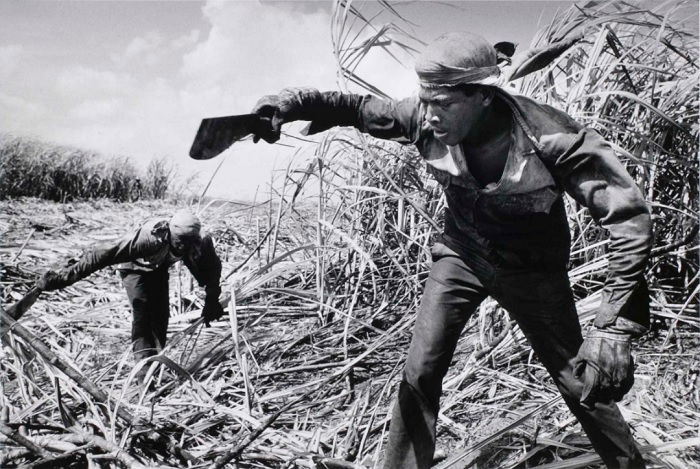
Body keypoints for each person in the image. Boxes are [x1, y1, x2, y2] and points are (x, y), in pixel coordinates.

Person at [249, 32, 652, 469]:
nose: (431, 114)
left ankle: (629, 465)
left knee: (581, 380)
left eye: (443, 103)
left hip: (532, 272)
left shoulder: (551, 137)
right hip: (461, 255)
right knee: (421, 370)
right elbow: (356, 109)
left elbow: (628, 218)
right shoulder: (422, 118)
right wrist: (292, 104)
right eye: (426, 100)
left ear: (482, 96)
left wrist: (612, 327)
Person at [37, 209, 225, 382]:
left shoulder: (199, 242)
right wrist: (62, 279)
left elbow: (212, 271)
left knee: (160, 316)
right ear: (170, 233)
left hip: (158, 267)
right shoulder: (149, 239)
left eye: (188, 242)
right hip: (134, 268)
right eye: (179, 241)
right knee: (143, 313)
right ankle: (143, 372)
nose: (183, 246)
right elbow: (101, 254)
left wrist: (212, 300)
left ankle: (156, 364)